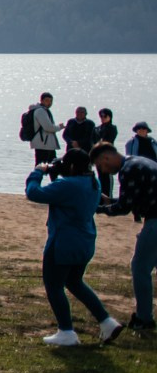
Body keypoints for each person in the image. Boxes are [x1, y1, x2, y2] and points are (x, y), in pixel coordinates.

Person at [27, 150, 121, 346]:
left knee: (54, 286)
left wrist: (37, 172)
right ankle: (107, 322)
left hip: (63, 242)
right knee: (75, 282)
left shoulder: (68, 185)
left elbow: (34, 193)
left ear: (71, 166)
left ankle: (66, 331)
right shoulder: (93, 183)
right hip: (85, 241)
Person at [93, 141, 156, 331]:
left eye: (101, 166)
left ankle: (144, 319)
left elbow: (124, 208)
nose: (103, 170)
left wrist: (97, 208)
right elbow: (133, 198)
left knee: (140, 267)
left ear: (106, 157)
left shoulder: (128, 170)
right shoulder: (138, 162)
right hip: (153, 216)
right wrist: (110, 201)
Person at [23, 92, 60, 171]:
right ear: (41, 101)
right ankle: (34, 182)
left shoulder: (44, 110)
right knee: (40, 166)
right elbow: (48, 127)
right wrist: (59, 127)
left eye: (50, 101)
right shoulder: (40, 111)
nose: (49, 103)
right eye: (47, 101)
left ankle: (54, 182)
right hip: (43, 144)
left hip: (47, 144)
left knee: (53, 166)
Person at [94, 110, 120, 198]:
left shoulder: (112, 128)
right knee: (100, 177)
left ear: (110, 117)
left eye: (105, 116)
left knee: (107, 178)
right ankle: (101, 198)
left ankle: (109, 197)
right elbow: (92, 140)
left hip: (108, 156)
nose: (102, 118)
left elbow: (109, 139)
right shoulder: (96, 128)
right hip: (98, 156)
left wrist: (101, 142)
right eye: (101, 116)